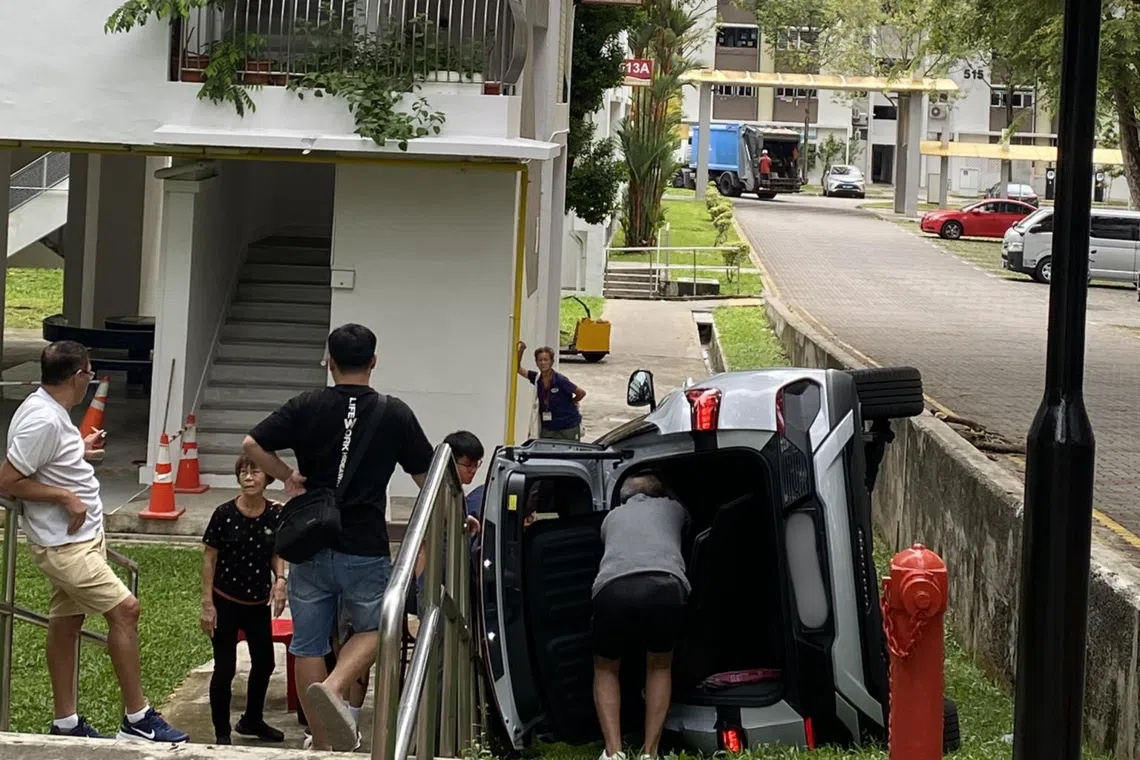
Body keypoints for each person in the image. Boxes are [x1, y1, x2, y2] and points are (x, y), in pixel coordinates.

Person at [242, 324, 434, 752]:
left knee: (308, 642)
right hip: (363, 544)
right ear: (374, 361)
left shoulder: (306, 404)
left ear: (329, 362)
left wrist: (288, 476)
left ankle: (322, 739)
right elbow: (428, 478)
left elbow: (252, 444)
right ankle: (335, 688)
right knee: (378, 628)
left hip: (310, 543)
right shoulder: (393, 412)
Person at [0, 341, 188, 742]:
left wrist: (76, 452)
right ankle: (138, 719)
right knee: (126, 610)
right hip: (65, 546)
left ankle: (65, 723)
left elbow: (43, 462)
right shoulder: (43, 420)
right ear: (76, 377)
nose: (90, 379)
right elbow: (7, 481)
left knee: (67, 622)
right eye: (88, 372)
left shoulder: (50, 414)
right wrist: (66, 497)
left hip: (79, 539)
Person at [591, 473, 690, 760]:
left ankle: (614, 752)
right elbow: (688, 526)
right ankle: (650, 753)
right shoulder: (673, 508)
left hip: (613, 587)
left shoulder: (611, 518)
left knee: (606, 667)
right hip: (666, 584)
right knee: (659, 666)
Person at [200, 455, 288, 745]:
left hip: (256, 604)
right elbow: (209, 559)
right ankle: (222, 733)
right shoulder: (224, 514)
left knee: (264, 662)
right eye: (243, 472)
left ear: (267, 478)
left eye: (255, 472)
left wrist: (280, 581)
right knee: (224, 668)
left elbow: (276, 552)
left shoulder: (275, 514)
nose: (249, 477)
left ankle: (252, 720)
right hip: (225, 601)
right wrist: (207, 605)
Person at [516, 341, 586, 441]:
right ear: (536, 362)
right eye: (540, 360)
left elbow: (581, 393)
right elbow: (518, 369)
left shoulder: (560, 380)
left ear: (552, 362)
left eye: (546, 360)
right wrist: (521, 351)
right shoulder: (537, 378)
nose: (543, 363)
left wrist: (571, 403)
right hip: (548, 429)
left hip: (568, 428)